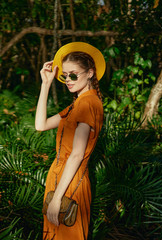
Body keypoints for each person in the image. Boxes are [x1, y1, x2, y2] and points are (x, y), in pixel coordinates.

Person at [35, 42, 105, 240]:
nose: (68, 80)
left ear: (90, 73)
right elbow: (41, 125)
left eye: (73, 74)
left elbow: (77, 154)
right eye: (64, 76)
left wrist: (57, 198)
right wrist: (46, 84)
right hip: (58, 180)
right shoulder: (77, 105)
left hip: (70, 184)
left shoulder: (88, 103)